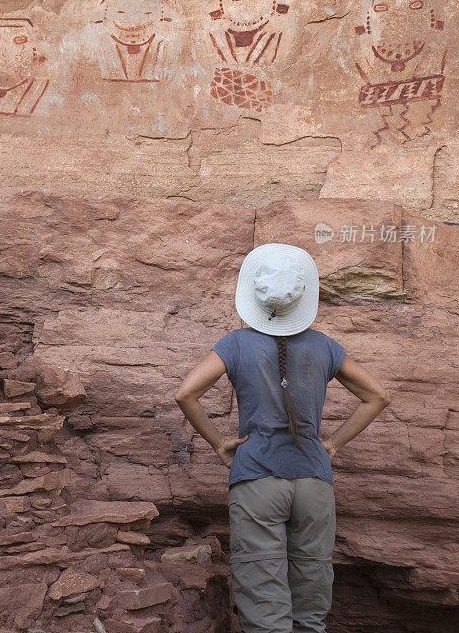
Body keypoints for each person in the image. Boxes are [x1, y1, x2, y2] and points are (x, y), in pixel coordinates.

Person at [175, 243, 391, 633]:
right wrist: (334, 444)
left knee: (264, 605)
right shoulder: (325, 346)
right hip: (313, 479)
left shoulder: (236, 343)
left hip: (257, 478)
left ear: (254, 296)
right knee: (310, 606)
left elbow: (186, 393)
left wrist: (218, 443)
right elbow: (377, 396)